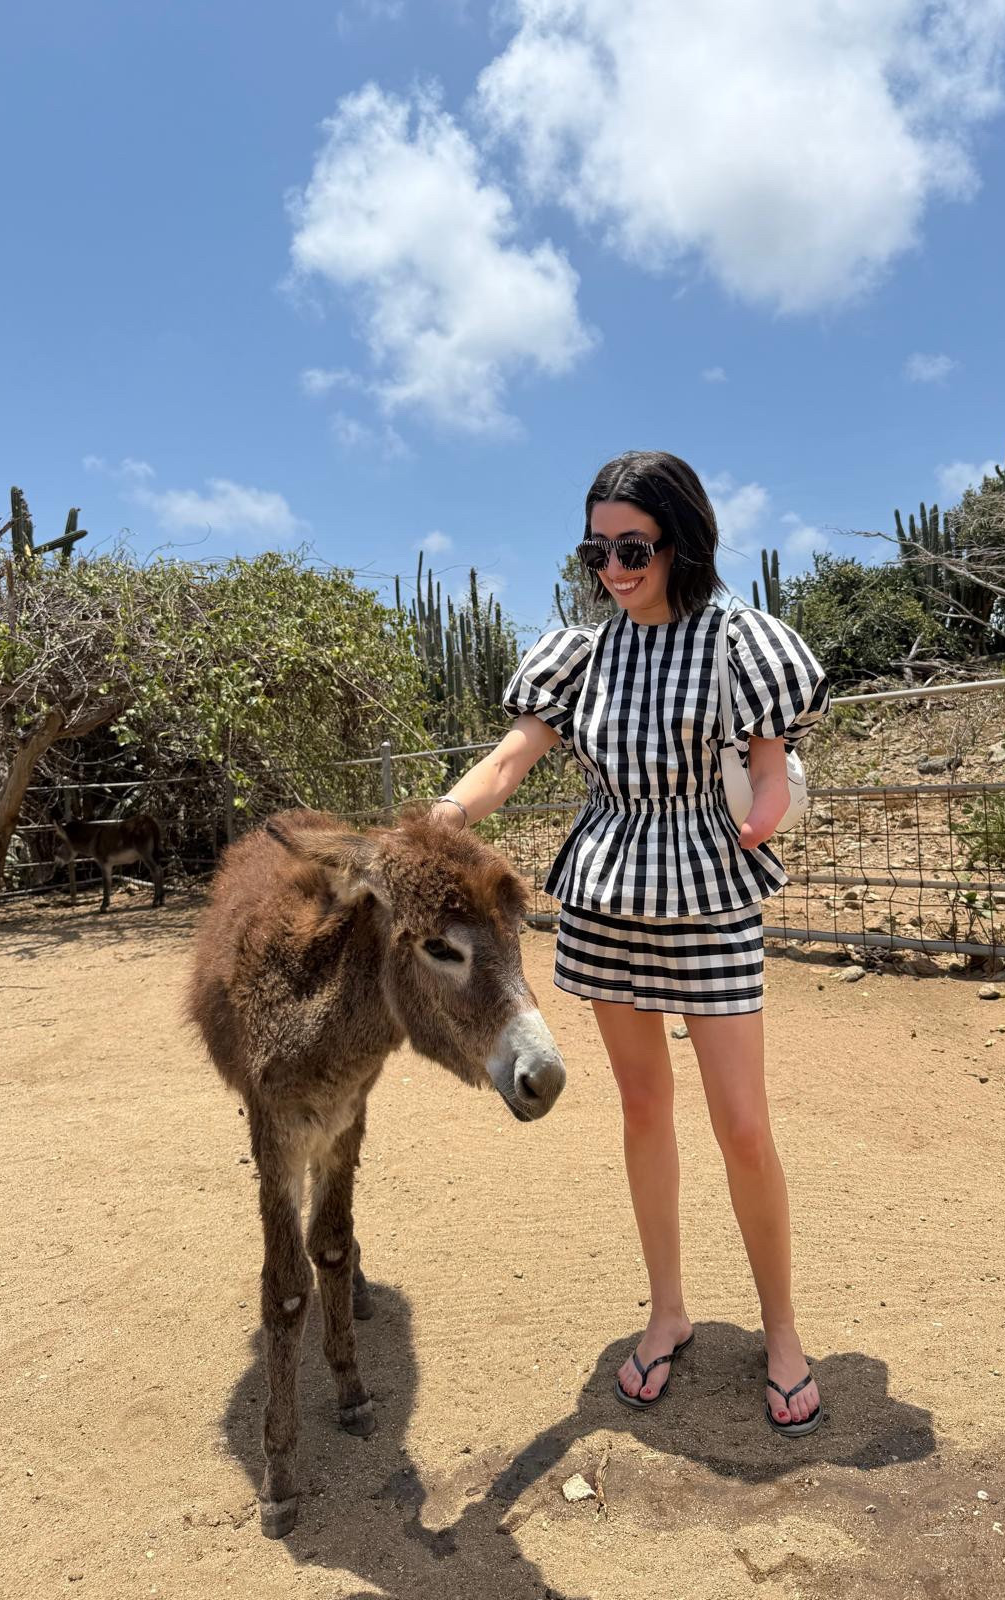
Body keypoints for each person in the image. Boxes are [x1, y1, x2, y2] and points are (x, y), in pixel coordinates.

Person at [428, 451, 830, 1436]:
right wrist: (444, 811)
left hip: (708, 889)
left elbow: (770, 771)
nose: (612, 565)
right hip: (609, 898)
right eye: (597, 547)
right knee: (645, 1106)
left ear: (680, 541)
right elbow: (514, 758)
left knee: (743, 1124)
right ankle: (668, 1309)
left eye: (632, 546)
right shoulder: (582, 653)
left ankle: (782, 1332)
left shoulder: (741, 641)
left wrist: (766, 812)